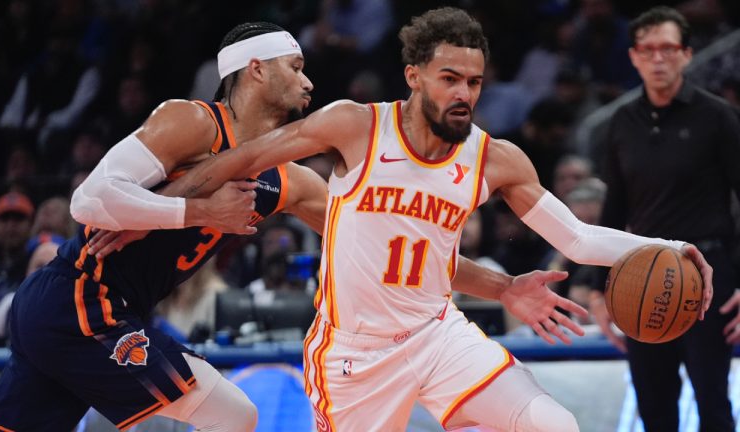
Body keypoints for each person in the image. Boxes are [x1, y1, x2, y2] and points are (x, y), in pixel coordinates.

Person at [0, 20, 573, 432]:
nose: (310, 81)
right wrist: (200, 212)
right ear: (256, 70)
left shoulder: (286, 181)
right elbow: (90, 200)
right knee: (232, 416)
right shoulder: (192, 122)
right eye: (297, 66)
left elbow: (406, 258)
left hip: (83, 312)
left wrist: (504, 287)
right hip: (80, 301)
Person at [162, 8, 713, 431]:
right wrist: (160, 209)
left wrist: (673, 247)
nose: (463, 94)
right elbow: (243, 159)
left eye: (473, 82)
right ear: (414, 75)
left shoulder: (495, 159)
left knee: (555, 424)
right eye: (450, 78)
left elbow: (577, 237)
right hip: (354, 353)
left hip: (437, 334)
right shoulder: (355, 126)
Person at [587, 7, 740, 431]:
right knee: (653, 408)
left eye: (668, 48)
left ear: (687, 54)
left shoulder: (717, 116)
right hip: (642, 272)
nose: (658, 58)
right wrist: (598, 290)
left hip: (709, 276)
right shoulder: (621, 121)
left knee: (713, 405)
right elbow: (613, 209)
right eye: (648, 49)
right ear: (634, 56)